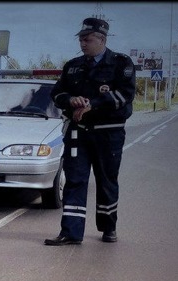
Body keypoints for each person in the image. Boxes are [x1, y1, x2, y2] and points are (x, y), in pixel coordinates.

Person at [45, 17, 135, 245]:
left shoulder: (120, 64)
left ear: (102, 39)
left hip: (108, 134)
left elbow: (125, 95)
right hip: (79, 133)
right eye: (81, 40)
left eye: (87, 39)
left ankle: (108, 227)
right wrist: (71, 100)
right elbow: (56, 94)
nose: (83, 44)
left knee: (106, 181)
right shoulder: (73, 66)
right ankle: (71, 233)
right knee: (75, 180)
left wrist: (92, 105)